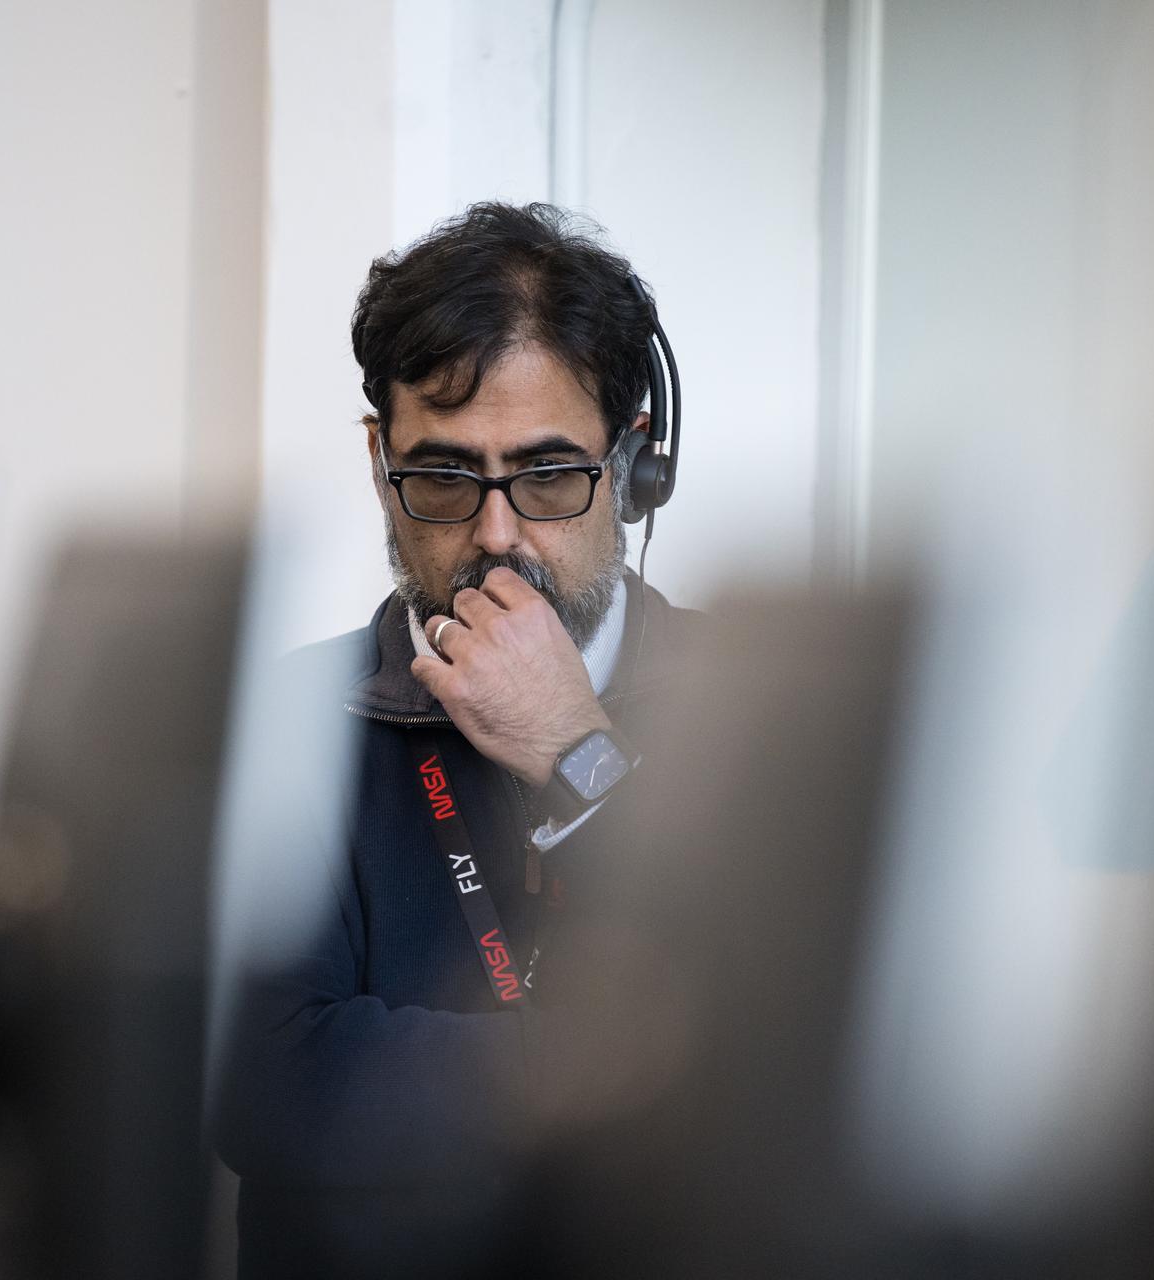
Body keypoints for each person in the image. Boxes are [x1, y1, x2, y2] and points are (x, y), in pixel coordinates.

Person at [214, 202, 703, 1279]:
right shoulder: (285, 719)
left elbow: (773, 1077)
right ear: (380, 460)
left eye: (545, 474)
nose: (494, 532)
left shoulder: (750, 713)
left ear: (632, 464)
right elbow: (268, 1082)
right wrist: (620, 1068)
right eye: (441, 476)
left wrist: (581, 755)